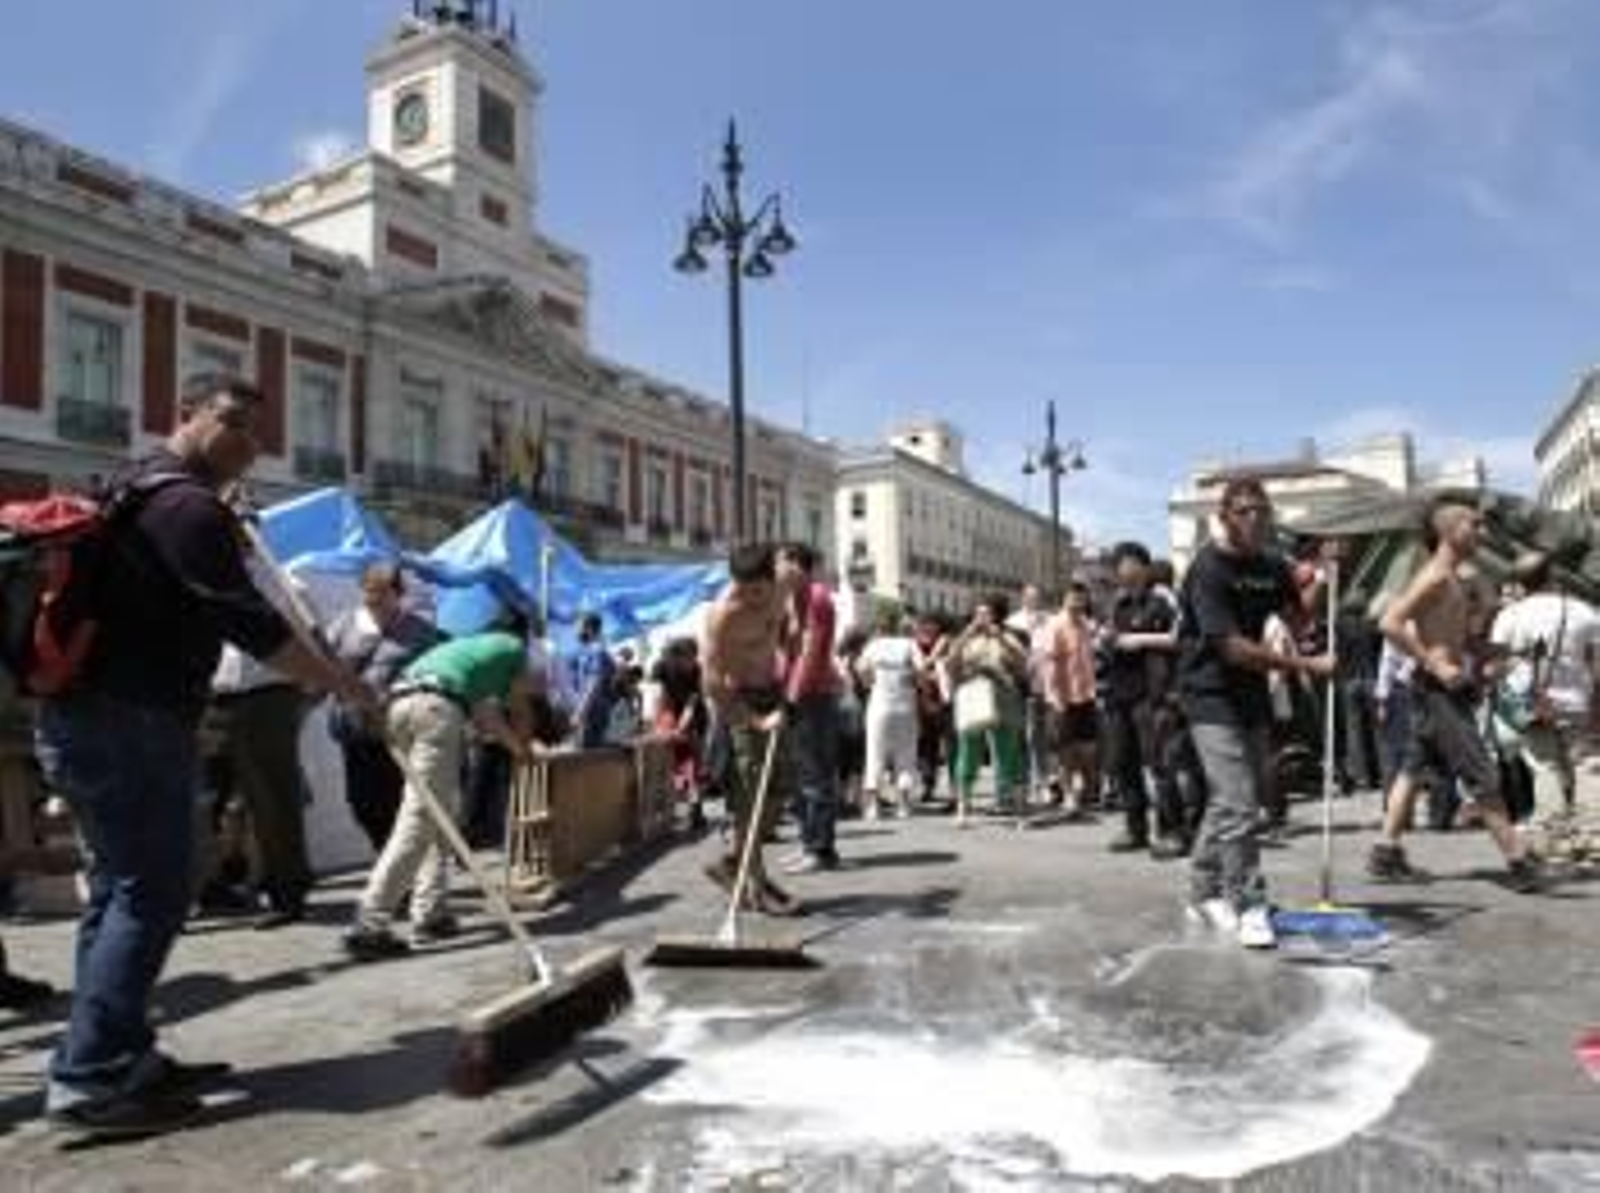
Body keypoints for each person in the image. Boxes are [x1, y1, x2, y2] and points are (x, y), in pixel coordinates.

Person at [33, 373, 371, 1135]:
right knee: (153, 891)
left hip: (97, 716)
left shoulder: (137, 488)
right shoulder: (186, 507)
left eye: (257, 431)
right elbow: (253, 625)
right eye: (233, 423)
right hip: (130, 720)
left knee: (125, 891)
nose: (249, 443)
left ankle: (119, 1051)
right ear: (184, 414)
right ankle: (89, 1077)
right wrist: (340, 681)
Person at [1177, 478, 1331, 949]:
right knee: (1242, 802)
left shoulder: (1271, 564)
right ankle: (1249, 902)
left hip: (1251, 695)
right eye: (1245, 511)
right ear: (1224, 517)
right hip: (1208, 693)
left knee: (1229, 800)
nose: (1257, 519)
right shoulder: (1207, 568)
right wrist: (1304, 664)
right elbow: (1232, 648)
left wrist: (1321, 581)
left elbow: (1296, 618)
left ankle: (1203, 891)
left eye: (1263, 511)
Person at [1366, 502, 1543, 891]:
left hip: (1442, 688)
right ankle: (1517, 859)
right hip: (1437, 691)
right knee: (1480, 771)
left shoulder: (1457, 580)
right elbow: (1389, 622)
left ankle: (1385, 852)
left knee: (1414, 768)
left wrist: (1502, 652)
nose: (1481, 531)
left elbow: (1464, 642)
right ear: (1449, 531)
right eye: (1473, 524)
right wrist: (1433, 662)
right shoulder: (1433, 578)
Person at [343, 614, 542, 959]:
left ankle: (431, 911)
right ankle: (369, 924)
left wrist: (515, 749)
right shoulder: (514, 647)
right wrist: (524, 751)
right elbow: (519, 708)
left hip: (400, 708)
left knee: (438, 815)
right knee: (420, 819)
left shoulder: (463, 653)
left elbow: (486, 717)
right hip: (436, 710)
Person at [209, 561, 321, 930]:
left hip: (268, 693)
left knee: (272, 797)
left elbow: (310, 634)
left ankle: (286, 890)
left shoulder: (281, 579)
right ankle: (209, 884)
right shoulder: (208, 573)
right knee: (205, 797)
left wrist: (307, 691)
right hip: (215, 694)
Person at [700, 544, 800, 915]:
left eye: (759, 590)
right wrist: (755, 720)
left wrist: (793, 636)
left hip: (772, 693)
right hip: (738, 702)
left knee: (780, 788)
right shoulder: (724, 616)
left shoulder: (785, 582)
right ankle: (755, 883)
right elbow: (713, 685)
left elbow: (798, 583)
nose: (752, 598)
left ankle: (735, 863)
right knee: (749, 793)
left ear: (771, 580)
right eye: (744, 590)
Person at [325, 563, 445, 854]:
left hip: (399, 729)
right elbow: (325, 664)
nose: (373, 597)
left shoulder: (420, 630)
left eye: (381, 591)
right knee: (361, 803)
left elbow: (437, 671)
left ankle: (398, 868)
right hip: (353, 727)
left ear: (397, 593)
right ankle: (388, 855)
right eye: (369, 590)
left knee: (397, 800)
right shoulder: (343, 624)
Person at [1489, 552, 1600, 822]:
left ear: (1520, 582)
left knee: (1545, 767)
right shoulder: (1582, 611)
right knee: (1585, 766)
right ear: (1551, 575)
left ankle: (1556, 838)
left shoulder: (1509, 615)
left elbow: (1497, 665)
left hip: (1531, 706)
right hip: (1578, 702)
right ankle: (1593, 834)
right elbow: (1596, 662)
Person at [1101, 542, 1185, 856]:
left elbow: (1182, 635)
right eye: (1118, 565)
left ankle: (1172, 831)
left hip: (1154, 694)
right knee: (1124, 764)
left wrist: (1140, 640)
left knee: (1160, 765)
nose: (1122, 570)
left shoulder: (1162, 598)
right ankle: (1134, 828)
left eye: (1127, 563)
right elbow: (1111, 638)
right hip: (1120, 694)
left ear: (1143, 566)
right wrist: (1107, 640)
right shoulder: (1118, 604)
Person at [776, 543, 842, 874]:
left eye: (779, 563)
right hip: (798, 693)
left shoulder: (817, 598)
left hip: (812, 695)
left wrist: (792, 695)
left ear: (794, 564)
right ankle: (808, 841)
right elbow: (788, 649)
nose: (775, 570)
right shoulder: (794, 599)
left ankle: (821, 849)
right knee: (802, 776)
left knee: (815, 775)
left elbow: (812, 653)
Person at [949, 595, 1030, 824]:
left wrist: (1000, 639)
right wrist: (967, 634)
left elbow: (1023, 663)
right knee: (969, 753)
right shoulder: (967, 639)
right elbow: (950, 663)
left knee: (1009, 755)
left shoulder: (1007, 637)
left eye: (986, 613)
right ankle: (963, 808)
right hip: (975, 700)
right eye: (978, 613)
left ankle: (1019, 809)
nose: (982, 618)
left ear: (996, 615)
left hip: (1004, 700)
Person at [856, 608, 921, 819]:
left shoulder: (873, 646)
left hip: (879, 703)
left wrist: (870, 682)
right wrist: (909, 678)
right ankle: (903, 804)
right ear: (897, 625)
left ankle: (873, 806)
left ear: (879, 627)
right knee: (906, 754)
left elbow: (861, 668)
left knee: (875, 754)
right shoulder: (909, 644)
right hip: (905, 704)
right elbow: (921, 669)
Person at [1044, 582, 1100, 817]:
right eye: (1073, 597)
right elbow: (1049, 663)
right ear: (1065, 599)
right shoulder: (1055, 625)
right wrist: (1055, 695)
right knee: (1065, 750)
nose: (1077, 602)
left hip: (1086, 694)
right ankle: (1068, 794)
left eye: (1081, 598)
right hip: (1063, 696)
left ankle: (1088, 791)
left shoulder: (1087, 625)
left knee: (1088, 748)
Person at [1007, 584, 1054, 800]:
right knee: (1021, 735)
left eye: (1037, 597)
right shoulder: (1012, 622)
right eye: (1029, 597)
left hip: (1043, 684)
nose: (1033, 601)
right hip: (1019, 685)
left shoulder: (1050, 620)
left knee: (1040, 736)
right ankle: (1023, 782)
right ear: (1022, 598)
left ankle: (1042, 781)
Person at [566, 613, 617, 750]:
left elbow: (594, 683)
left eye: (578, 626)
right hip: (586, 709)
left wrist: (580, 713)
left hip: (591, 711)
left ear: (589, 628)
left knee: (587, 756)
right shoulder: (583, 651)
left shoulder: (597, 651)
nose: (575, 631)